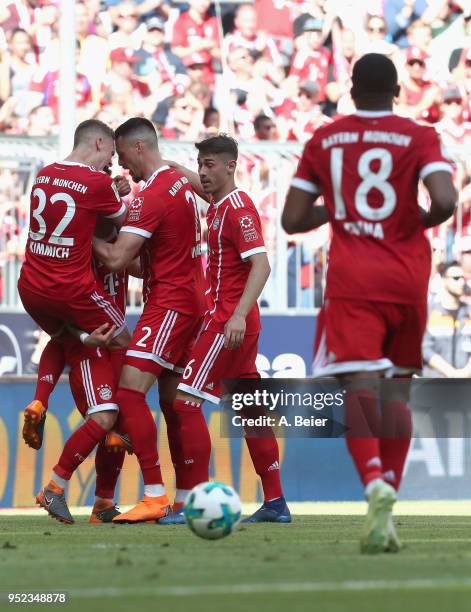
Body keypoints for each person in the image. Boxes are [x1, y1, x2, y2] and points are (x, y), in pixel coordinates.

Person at [282, 53, 456, 552]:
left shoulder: (325, 138)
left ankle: (375, 483)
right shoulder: (420, 135)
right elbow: (445, 201)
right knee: (397, 390)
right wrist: (411, 221)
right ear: (398, 91)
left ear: (352, 92)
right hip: (407, 275)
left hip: (354, 276)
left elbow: (293, 220)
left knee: (359, 382)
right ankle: (390, 507)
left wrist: (338, 207)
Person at [169, 134, 291, 523]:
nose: (203, 172)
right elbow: (197, 183)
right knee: (252, 411)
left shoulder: (238, 209)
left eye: (210, 165)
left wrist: (236, 314)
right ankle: (275, 503)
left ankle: (196, 501)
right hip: (238, 322)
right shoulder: (220, 204)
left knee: (185, 403)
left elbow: (262, 265)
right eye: (200, 164)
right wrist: (166, 168)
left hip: (228, 322)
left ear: (231, 166)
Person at [93, 117, 207, 523]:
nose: (124, 167)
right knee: (176, 404)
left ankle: (156, 494)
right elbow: (144, 264)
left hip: (171, 305)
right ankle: (189, 499)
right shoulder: (177, 182)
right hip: (191, 298)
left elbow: (118, 259)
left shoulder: (153, 193)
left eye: (123, 157)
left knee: (128, 393)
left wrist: (78, 229)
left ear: (139, 148)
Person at [17, 119, 132, 523]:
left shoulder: (45, 176)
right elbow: (125, 222)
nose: (109, 166)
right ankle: (56, 488)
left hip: (35, 288)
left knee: (67, 337)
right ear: (100, 142)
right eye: (109, 158)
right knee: (111, 411)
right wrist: (124, 190)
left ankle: (40, 400)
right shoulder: (99, 191)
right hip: (78, 296)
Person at [423, 260, 471, 378]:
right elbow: (424, 348)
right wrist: (451, 373)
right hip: (436, 384)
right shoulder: (429, 312)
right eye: (455, 278)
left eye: (462, 278)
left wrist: (466, 372)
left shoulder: (469, 312)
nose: (461, 282)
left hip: (465, 385)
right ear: (444, 280)